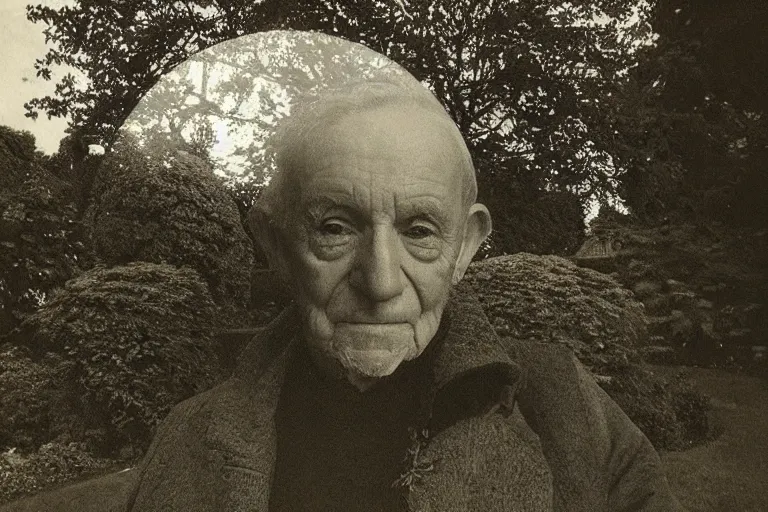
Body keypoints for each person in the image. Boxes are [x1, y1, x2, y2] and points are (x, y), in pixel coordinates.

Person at [125, 77, 685, 511]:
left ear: (465, 247)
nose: (382, 282)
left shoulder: (564, 406)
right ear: (275, 243)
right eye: (336, 228)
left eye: (419, 231)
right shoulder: (188, 436)